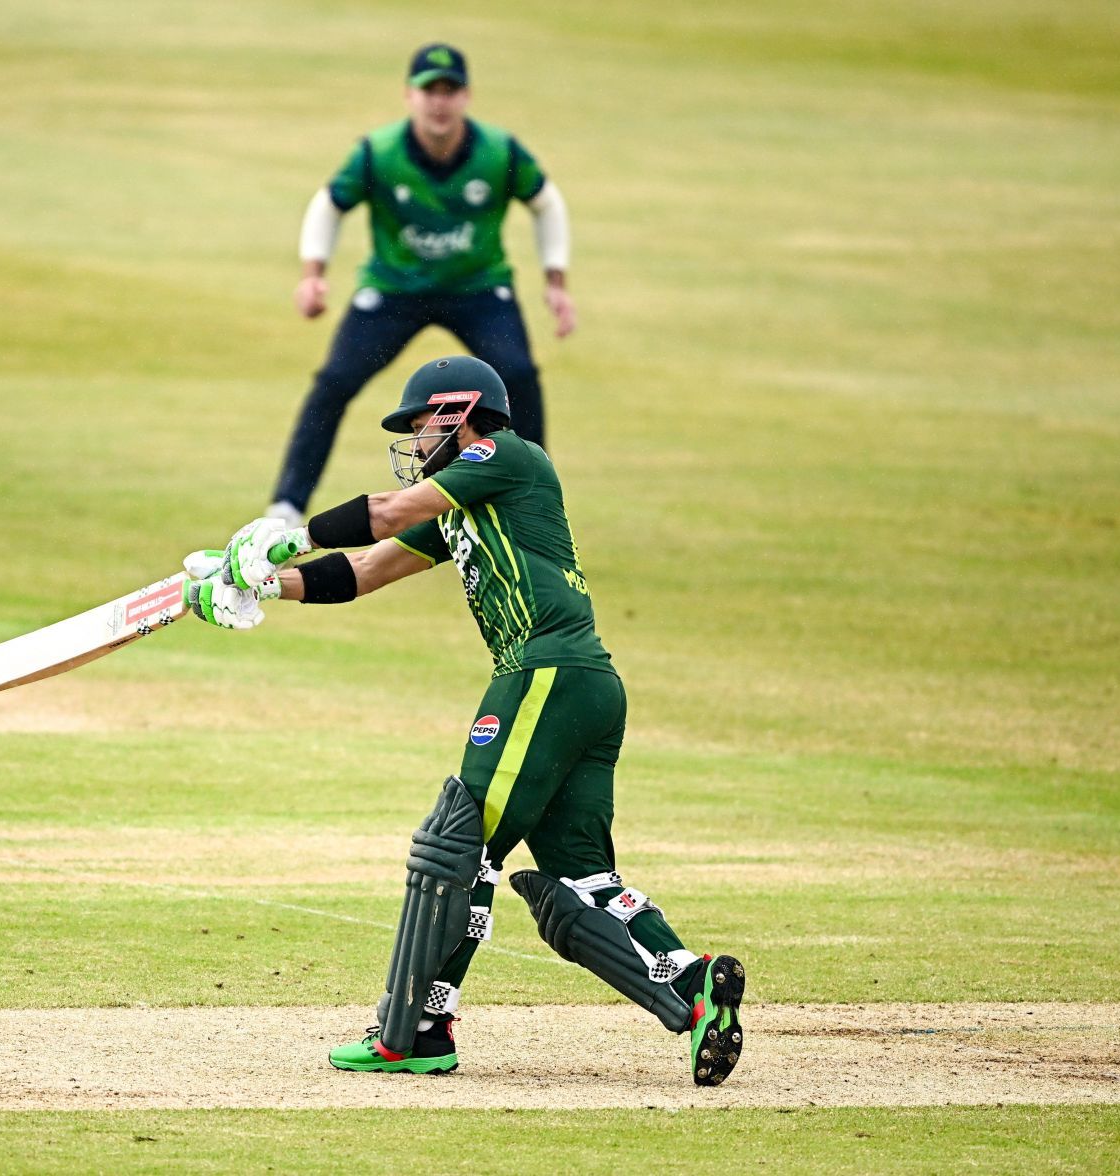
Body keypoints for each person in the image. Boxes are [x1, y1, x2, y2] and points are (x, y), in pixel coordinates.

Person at [184, 355, 746, 1086]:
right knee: (581, 879)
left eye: (421, 429)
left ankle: (416, 1029)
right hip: (585, 685)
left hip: (541, 673)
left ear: (459, 416)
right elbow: (364, 571)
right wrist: (261, 585)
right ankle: (695, 987)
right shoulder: (459, 510)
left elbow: (385, 512)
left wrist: (290, 533)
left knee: (459, 848)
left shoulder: (503, 455)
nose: (417, 446)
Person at [267, 43, 576, 528]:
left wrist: (556, 283)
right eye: (429, 90)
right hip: (395, 292)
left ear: (466, 96)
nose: (439, 101)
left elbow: (546, 203)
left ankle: (535, 497)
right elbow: (329, 204)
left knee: (518, 374)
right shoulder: (379, 153)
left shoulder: (498, 152)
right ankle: (286, 506)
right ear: (409, 95)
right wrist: (313, 276)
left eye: (449, 90)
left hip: (478, 289)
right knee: (335, 383)